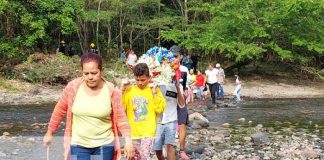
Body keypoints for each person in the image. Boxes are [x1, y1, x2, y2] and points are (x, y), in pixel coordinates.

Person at [43, 53, 134, 160]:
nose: (90, 77)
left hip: (104, 144)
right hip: (78, 145)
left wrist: (128, 142)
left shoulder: (111, 90)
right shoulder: (73, 87)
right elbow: (59, 110)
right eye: (86, 73)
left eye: (94, 73)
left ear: (102, 71)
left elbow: (121, 118)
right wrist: (49, 132)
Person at [122, 63, 166, 160]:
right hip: (133, 132)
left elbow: (160, 109)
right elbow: (122, 109)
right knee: (132, 157)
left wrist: (154, 94)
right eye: (137, 80)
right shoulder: (129, 90)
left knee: (144, 157)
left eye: (143, 80)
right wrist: (122, 90)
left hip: (148, 132)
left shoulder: (153, 89)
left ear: (149, 77)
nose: (140, 83)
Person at [154, 80, 186, 160]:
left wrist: (178, 90)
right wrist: (154, 91)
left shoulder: (178, 85)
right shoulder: (157, 83)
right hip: (158, 120)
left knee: (170, 146)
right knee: (157, 149)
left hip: (171, 120)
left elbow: (182, 105)